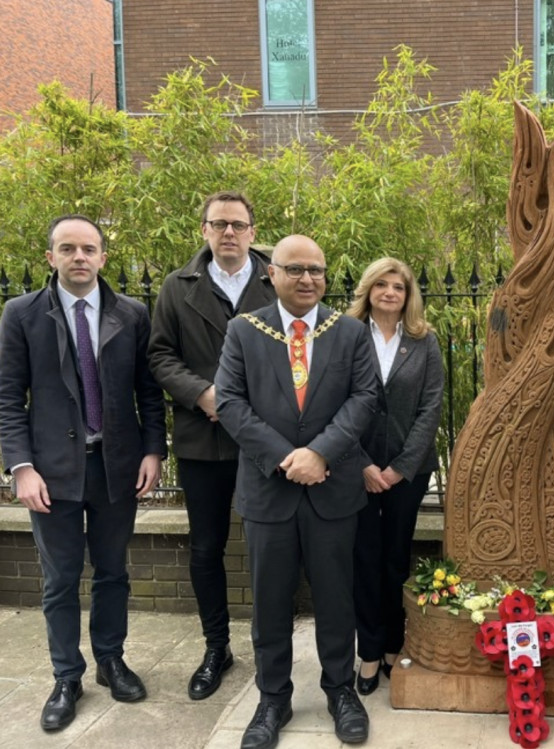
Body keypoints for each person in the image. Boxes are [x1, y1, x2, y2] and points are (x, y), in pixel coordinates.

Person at [0, 215, 166, 732]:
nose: (79, 257)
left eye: (88, 248)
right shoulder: (21, 314)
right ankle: (67, 675)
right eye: (67, 248)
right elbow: (7, 398)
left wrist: (153, 451)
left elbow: (148, 391)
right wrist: (21, 467)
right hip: (52, 471)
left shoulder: (131, 313)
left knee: (113, 572)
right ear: (51, 257)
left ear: (103, 257)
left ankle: (111, 660)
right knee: (61, 579)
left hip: (115, 468)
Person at [215, 235, 378, 748]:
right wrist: (289, 458)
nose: (308, 278)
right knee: (269, 602)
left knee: (336, 597)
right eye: (295, 269)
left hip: (333, 490)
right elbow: (231, 402)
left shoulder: (349, 331)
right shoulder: (245, 331)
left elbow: (364, 396)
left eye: (317, 269)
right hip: (269, 492)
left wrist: (321, 453)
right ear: (271, 273)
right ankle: (273, 698)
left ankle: (339, 690)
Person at [148, 190, 275, 700]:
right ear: (204, 229)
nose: (228, 232)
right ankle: (216, 647)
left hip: (267, 441)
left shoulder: (279, 278)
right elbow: (159, 355)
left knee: (272, 547)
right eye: (218, 223)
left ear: (251, 230)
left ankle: (273, 649)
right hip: (204, 440)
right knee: (206, 549)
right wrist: (203, 393)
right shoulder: (177, 289)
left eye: (237, 224)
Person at [346, 257, 444, 696]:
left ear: (409, 295)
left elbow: (431, 407)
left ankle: (392, 644)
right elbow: (332, 403)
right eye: (381, 284)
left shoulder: (424, 341)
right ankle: (368, 651)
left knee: (395, 558)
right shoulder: (345, 336)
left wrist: (400, 467)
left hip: (409, 470)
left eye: (398, 287)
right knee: (363, 558)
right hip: (355, 467)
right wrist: (361, 463)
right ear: (368, 290)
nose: (389, 292)